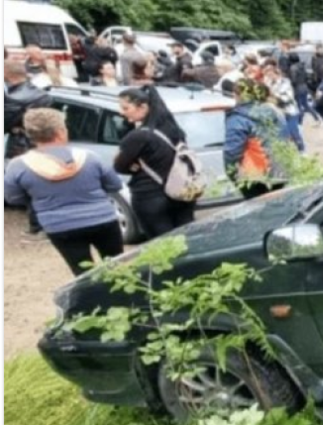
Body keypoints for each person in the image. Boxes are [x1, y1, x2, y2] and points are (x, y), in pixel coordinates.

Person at [4, 108, 124, 275]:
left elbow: (13, 198)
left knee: (82, 272)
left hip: (59, 225)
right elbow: (115, 185)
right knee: (116, 264)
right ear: (60, 132)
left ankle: (93, 300)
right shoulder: (89, 157)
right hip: (102, 218)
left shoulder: (18, 166)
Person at [114, 86, 197, 239]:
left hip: (150, 196)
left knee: (161, 244)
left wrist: (134, 167)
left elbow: (119, 165)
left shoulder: (138, 137)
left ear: (143, 107)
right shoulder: (174, 130)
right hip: (182, 192)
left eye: (125, 108)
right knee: (188, 237)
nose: (121, 112)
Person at [4, 60, 54, 236]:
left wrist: (15, 128)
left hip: (23, 145)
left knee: (28, 186)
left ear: (7, 75)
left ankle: (38, 226)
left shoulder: (13, 98)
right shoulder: (42, 94)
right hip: (47, 143)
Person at [225, 79, 288, 200]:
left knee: (259, 211)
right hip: (279, 171)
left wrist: (233, 174)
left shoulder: (238, 118)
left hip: (254, 175)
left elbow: (232, 153)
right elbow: (284, 137)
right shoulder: (272, 111)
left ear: (237, 95)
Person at [264, 60, 305, 153]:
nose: (269, 77)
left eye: (270, 74)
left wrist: (273, 95)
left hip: (290, 111)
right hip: (277, 112)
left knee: (293, 132)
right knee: (282, 134)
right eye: (267, 75)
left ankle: (302, 150)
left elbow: (288, 98)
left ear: (276, 73)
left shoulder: (285, 82)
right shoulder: (268, 82)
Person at [289, 52, 321, 126]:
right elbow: (307, 76)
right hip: (305, 86)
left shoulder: (293, 68)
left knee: (299, 105)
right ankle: (316, 118)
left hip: (297, 88)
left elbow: (293, 80)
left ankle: (300, 122)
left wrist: (291, 83)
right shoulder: (302, 66)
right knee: (306, 104)